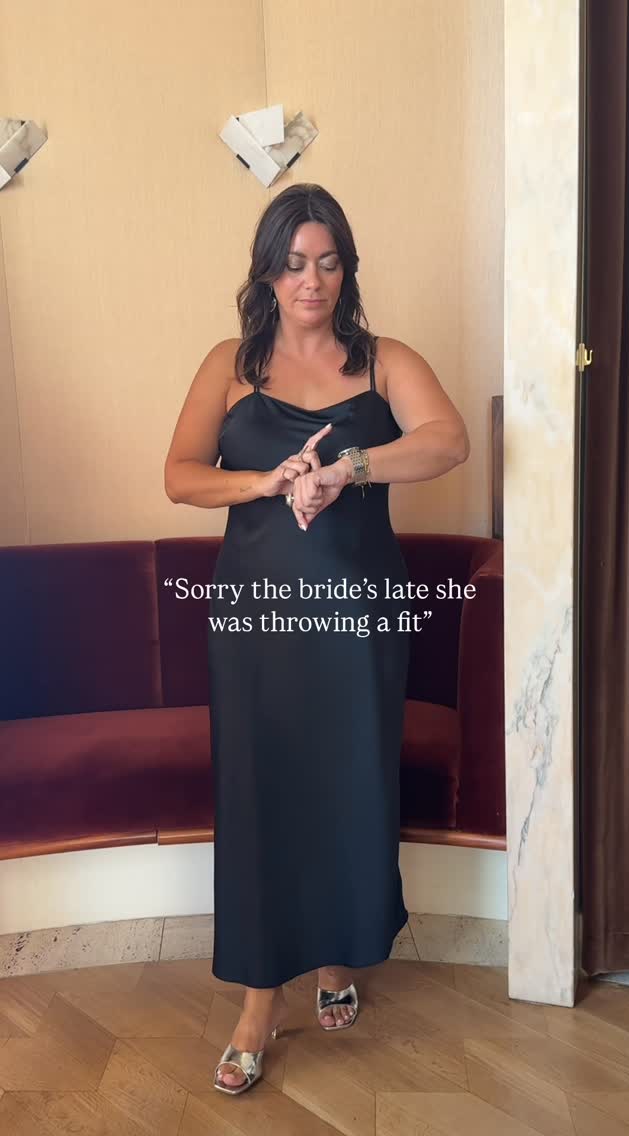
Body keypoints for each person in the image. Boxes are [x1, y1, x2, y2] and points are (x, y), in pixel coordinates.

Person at [164, 182, 469, 1095]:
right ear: (267, 270)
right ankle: (259, 999)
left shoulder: (384, 361)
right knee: (261, 793)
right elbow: (180, 476)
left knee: (349, 786)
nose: (312, 280)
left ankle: (339, 955)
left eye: (329, 262)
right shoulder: (229, 364)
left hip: (358, 620)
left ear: (347, 270)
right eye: (295, 263)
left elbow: (447, 440)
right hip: (257, 623)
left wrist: (348, 468)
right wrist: (264, 482)